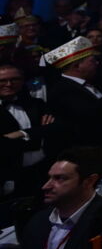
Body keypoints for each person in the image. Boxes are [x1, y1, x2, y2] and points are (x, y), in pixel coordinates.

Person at [44, 37, 102, 155]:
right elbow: (89, 111)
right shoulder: (63, 89)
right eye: (92, 61)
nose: (97, 63)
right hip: (85, 151)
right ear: (77, 66)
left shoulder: (88, 82)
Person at [1, 63, 53, 198]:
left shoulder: (36, 104)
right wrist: (37, 134)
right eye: (2, 80)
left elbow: (56, 128)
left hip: (41, 170)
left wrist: (22, 134)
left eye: (14, 79)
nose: (9, 84)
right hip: (7, 175)